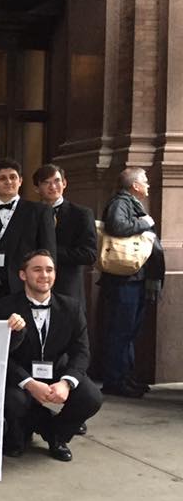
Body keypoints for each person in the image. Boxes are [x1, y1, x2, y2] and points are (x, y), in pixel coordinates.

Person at [0, 251, 102, 461]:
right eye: (37, 269)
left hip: (56, 370)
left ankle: (56, 435)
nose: (44, 275)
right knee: (13, 401)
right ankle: (25, 427)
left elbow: (82, 351)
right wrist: (29, 383)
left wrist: (66, 383)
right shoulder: (3, 307)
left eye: (49, 270)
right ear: (23, 275)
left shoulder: (72, 307)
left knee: (91, 397)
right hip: (20, 375)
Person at [99, 168, 165, 398]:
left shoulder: (129, 202)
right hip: (124, 280)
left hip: (133, 279)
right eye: (145, 181)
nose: (148, 185)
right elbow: (116, 227)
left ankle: (125, 377)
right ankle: (115, 381)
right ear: (135, 186)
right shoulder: (120, 202)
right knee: (121, 331)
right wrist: (144, 222)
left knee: (128, 331)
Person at [0, 158, 56, 315]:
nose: (8, 182)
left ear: (20, 181)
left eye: (13, 177)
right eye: (2, 178)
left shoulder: (39, 212)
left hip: (23, 288)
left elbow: (48, 253)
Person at [33, 163, 97, 309]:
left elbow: (89, 254)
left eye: (57, 181)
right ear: (37, 188)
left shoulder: (81, 214)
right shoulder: (30, 213)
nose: (53, 187)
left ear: (64, 183)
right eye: (46, 183)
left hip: (68, 288)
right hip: (34, 287)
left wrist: (50, 252)